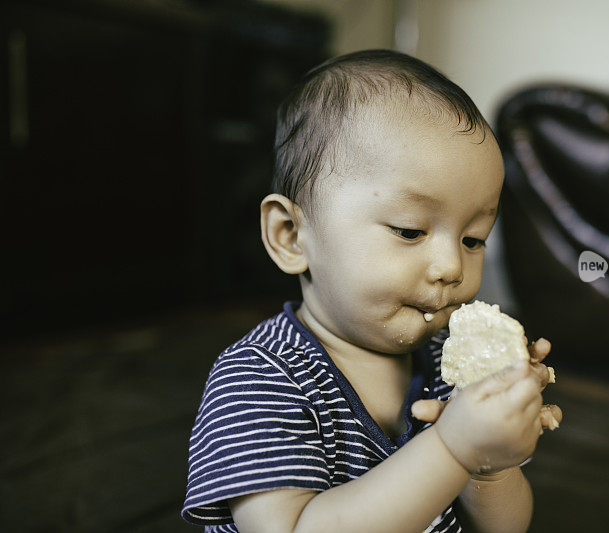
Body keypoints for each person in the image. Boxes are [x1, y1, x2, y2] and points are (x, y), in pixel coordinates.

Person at [182, 49, 563, 533]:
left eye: (473, 239)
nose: (451, 266)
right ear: (292, 236)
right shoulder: (258, 380)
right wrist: (451, 446)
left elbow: (504, 528)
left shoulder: (448, 369)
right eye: (409, 231)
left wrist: (492, 460)